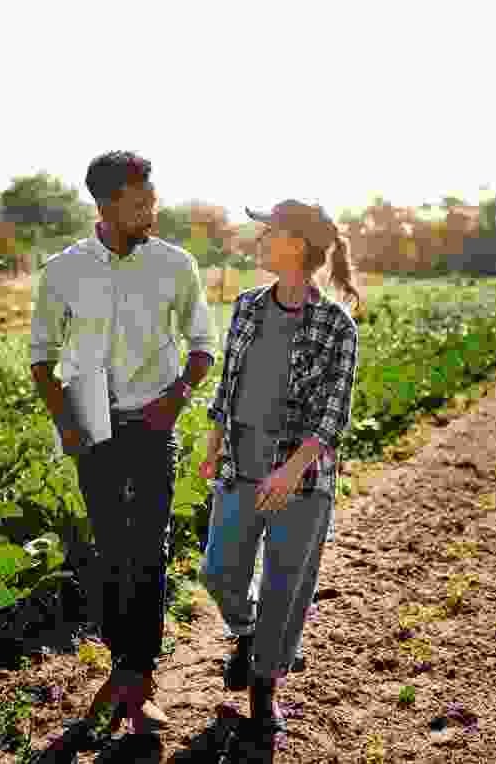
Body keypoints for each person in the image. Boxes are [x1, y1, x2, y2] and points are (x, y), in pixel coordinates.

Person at [29, 151, 217, 736]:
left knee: (151, 550)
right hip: (93, 426)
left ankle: (139, 681)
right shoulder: (63, 271)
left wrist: (178, 395)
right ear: (106, 206)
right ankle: (125, 669)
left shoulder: (175, 265)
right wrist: (68, 424)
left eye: (152, 200)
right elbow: (41, 358)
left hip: (154, 424)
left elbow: (202, 345)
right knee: (111, 551)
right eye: (140, 203)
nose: (151, 211)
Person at [198, 199, 361, 735]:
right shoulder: (247, 305)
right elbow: (228, 382)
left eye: (270, 232)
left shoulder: (336, 325)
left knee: (286, 587)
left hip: (301, 479)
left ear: (296, 244)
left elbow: (333, 413)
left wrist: (291, 471)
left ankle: (264, 688)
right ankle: (248, 634)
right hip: (241, 467)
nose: (261, 240)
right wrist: (213, 440)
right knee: (218, 571)